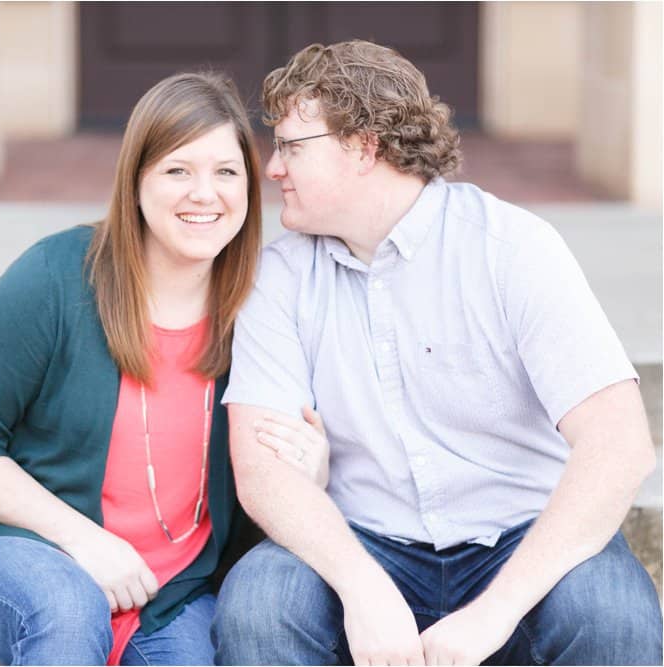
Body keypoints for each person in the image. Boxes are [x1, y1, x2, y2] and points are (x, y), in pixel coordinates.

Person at [213, 40, 662, 666]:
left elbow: (618, 445)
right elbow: (262, 471)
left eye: (291, 146)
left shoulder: (511, 248)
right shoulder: (278, 277)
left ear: (364, 147)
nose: (272, 168)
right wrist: (363, 586)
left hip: (521, 539)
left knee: (612, 619)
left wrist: (493, 615)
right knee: (261, 606)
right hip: (365, 542)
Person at [0, 72, 326, 666]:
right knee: (66, 609)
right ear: (135, 180)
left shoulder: (262, 312)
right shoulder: (55, 278)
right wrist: (84, 541)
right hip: (24, 552)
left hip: (172, 590)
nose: (204, 194)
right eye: (177, 171)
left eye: (225, 172)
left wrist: (310, 475)